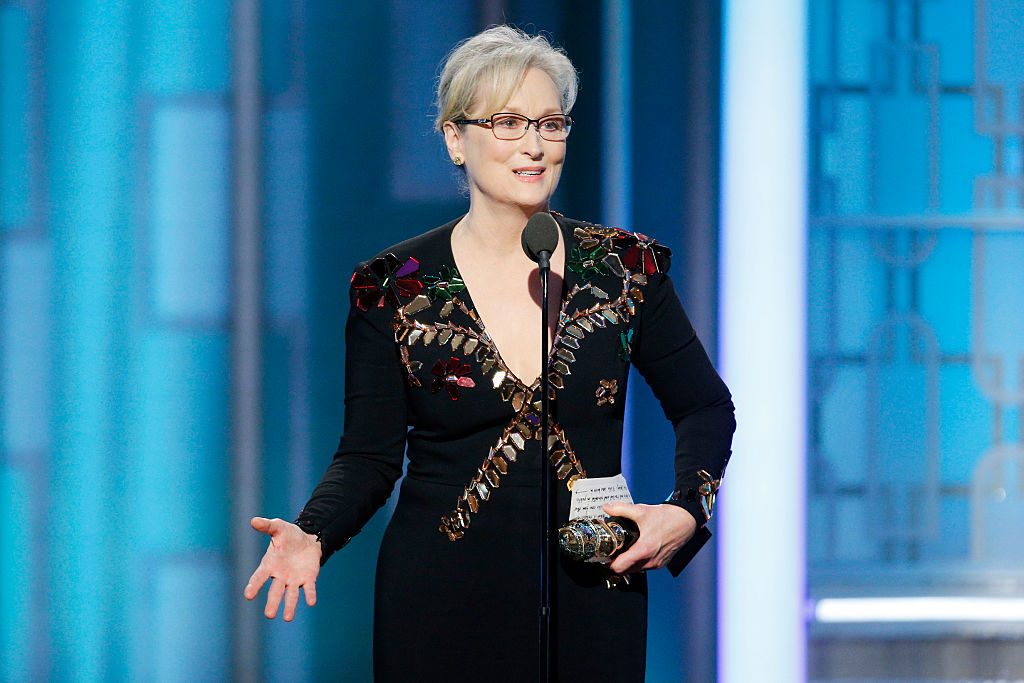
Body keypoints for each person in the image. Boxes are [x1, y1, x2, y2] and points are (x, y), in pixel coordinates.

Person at [243, 25, 735, 681]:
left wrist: (686, 509)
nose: (534, 144)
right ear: (455, 138)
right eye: (508, 122)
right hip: (439, 599)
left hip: (593, 590)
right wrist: (313, 530)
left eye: (551, 123)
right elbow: (368, 454)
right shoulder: (397, 287)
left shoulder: (622, 268)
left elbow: (705, 404)